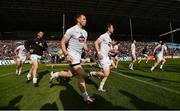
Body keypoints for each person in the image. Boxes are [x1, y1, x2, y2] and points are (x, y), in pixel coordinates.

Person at [49, 14, 94, 104]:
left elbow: (84, 43)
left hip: (78, 56)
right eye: (84, 19)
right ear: (78, 19)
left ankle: (55, 74)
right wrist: (66, 54)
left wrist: (87, 49)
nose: (86, 20)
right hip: (71, 55)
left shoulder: (85, 32)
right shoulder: (71, 30)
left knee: (69, 75)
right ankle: (86, 96)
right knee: (83, 74)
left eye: (86, 19)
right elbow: (62, 42)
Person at [89, 24, 115, 92]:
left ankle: (100, 87)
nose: (113, 29)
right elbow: (96, 43)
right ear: (108, 28)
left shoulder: (109, 38)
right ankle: (93, 73)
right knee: (106, 74)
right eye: (112, 28)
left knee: (107, 74)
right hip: (102, 56)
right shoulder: (103, 36)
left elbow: (108, 49)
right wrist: (99, 52)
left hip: (106, 57)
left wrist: (115, 51)